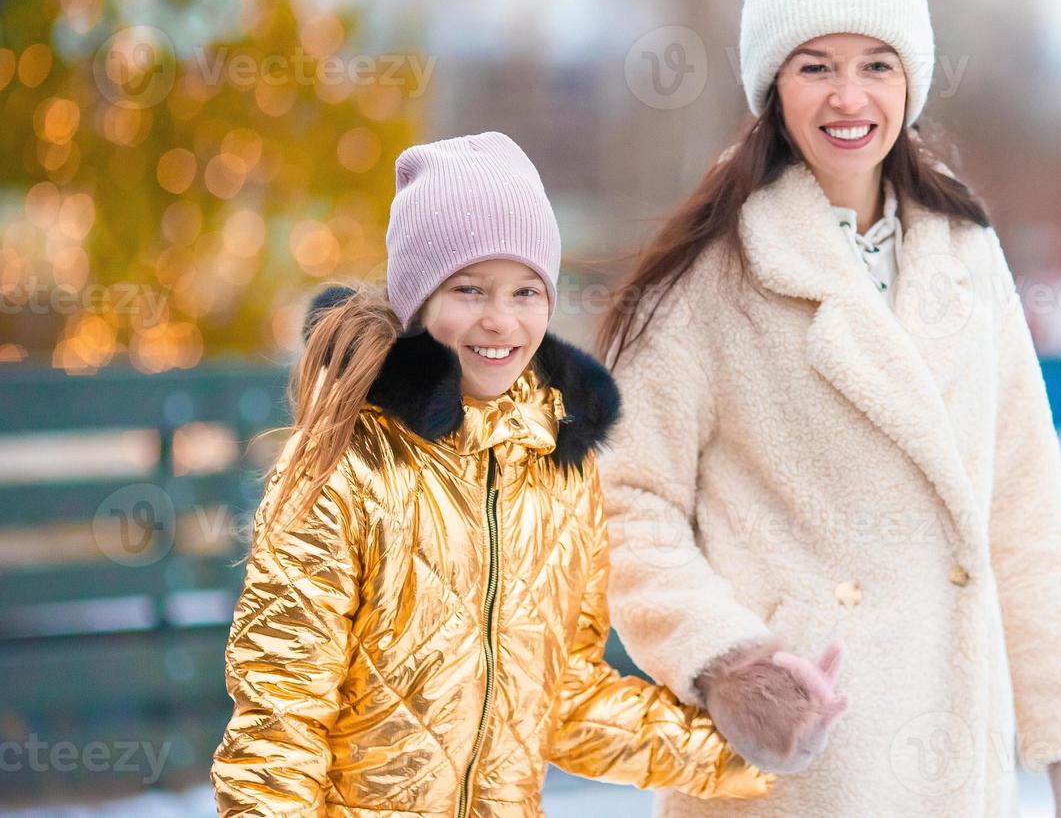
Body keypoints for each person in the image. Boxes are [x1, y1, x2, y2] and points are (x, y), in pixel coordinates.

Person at [596, 0, 1061, 817]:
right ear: (774, 84)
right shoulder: (710, 274)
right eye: (816, 67)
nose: (850, 98)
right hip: (802, 760)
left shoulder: (966, 252)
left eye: (876, 64)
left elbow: (1025, 510)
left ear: (911, 79)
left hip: (956, 753)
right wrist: (732, 663)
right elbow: (622, 504)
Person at [211, 132, 777, 817]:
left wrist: (744, 752)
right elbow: (281, 723)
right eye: (469, 288)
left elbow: (563, 697)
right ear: (418, 300)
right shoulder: (343, 469)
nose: (500, 320)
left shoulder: (558, 477)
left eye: (526, 291)